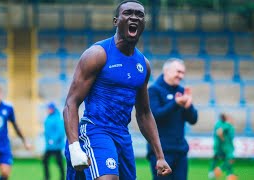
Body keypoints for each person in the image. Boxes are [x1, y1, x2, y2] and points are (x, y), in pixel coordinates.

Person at [63, 0, 172, 179]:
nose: (134, 17)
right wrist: (74, 146)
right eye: (128, 13)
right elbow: (71, 103)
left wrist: (160, 156)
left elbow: (144, 113)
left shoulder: (143, 65)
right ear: (116, 21)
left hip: (122, 135)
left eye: (140, 15)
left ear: (144, 23)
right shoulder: (98, 54)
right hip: (95, 129)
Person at [147, 58, 198, 180]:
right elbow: (154, 116)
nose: (181, 76)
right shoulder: (153, 90)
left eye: (183, 73)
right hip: (160, 153)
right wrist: (175, 103)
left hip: (180, 151)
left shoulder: (181, 91)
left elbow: (193, 119)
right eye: (178, 72)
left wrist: (188, 106)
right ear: (167, 71)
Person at [208, 113, 237, 180]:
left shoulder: (225, 125)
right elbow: (219, 132)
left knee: (221, 159)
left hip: (223, 146)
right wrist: (223, 139)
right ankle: (219, 170)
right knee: (230, 159)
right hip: (226, 146)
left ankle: (230, 176)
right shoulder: (226, 125)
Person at [42, 102, 65, 180]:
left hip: (56, 146)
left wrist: (53, 140)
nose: (47, 110)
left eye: (49, 108)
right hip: (49, 146)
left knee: (59, 162)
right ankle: (47, 177)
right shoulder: (48, 117)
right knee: (45, 160)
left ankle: (62, 177)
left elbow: (61, 131)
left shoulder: (57, 118)